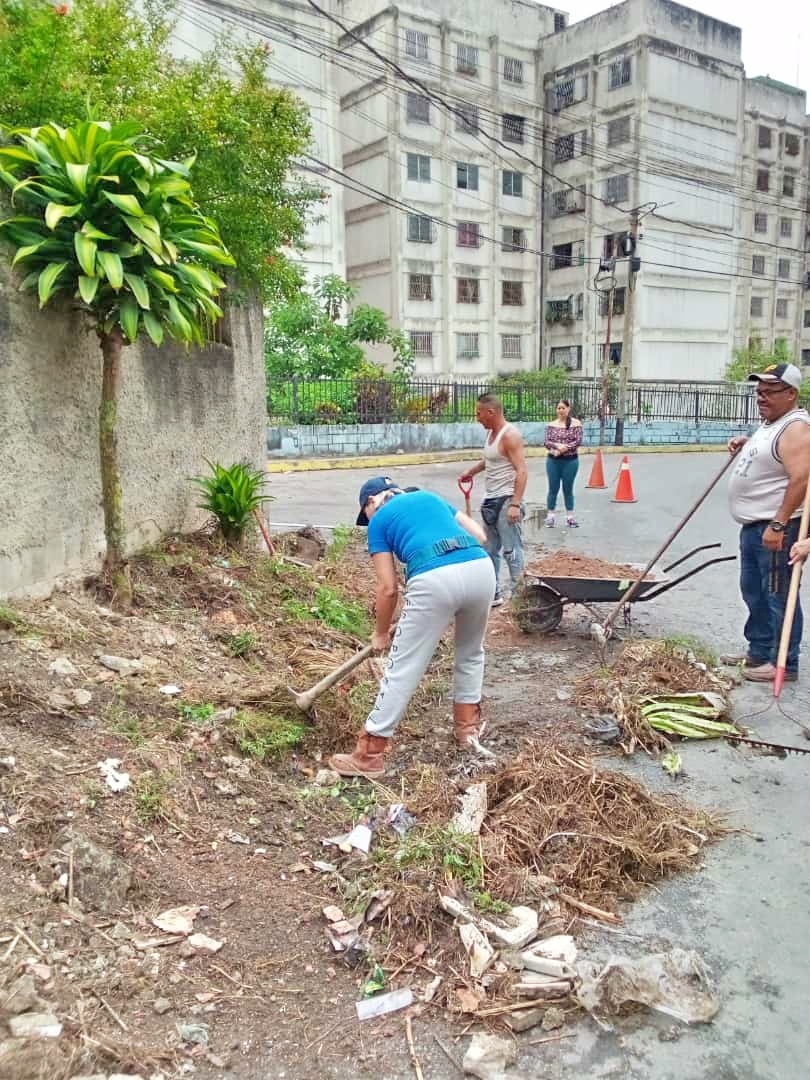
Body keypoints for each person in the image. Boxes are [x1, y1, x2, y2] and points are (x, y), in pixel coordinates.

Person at [329, 477, 496, 778]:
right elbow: (480, 535)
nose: (367, 522)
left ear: (371, 502)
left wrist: (381, 633)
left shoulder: (379, 520)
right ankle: (467, 733)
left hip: (434, 578)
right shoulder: (431, 498)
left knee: (403, 667)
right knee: (471, 653)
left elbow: (388, 588)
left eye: (364, 515)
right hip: (480, 568)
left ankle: (369, 754)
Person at [726, 362, 810, 683]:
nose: (761, 397)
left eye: (770, 391)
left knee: (778, 594)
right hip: (754, 526)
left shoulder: (797, 427)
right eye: (759, 391)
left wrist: (779, 524)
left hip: (777, 528)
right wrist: (748, 445)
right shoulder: (773, 422)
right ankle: (759, 651)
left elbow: (801, 478)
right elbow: (774, 457)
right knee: (754, 591)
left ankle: (783, 664)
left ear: (791, 394)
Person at [458, 394, 528, 607]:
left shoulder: (510, 436)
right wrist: (472, 471)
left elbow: (522, 471)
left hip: (507, 500)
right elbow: (490, 458)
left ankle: (520, 601)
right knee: (489, 550)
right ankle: (494, 593)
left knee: (511, 551)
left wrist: (515, 504)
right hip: (491, 500)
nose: (477, 418)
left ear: (491, 412)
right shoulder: (491, 435)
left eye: (479, 413)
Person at [544, 399, 583, 528]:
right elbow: (547, 442)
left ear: (568, 409)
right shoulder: (552, 424)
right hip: (553, 461)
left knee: (568, 489)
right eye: (558, 408)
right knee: (553, 489)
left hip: (570, 461)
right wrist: (556, 447)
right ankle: (550, 517)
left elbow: (577, 441)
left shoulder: (576, 424)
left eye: (563, 408)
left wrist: (564, 448)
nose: (561, 410)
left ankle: (570, 517)